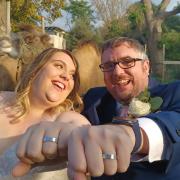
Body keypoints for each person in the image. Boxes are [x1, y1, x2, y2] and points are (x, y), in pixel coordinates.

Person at [13, 37, 180, 180]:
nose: (117, 71)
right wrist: (65, 124)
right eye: (108, 65)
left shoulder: (173, 92)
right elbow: (70, 114)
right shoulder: (95, 98)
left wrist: (134, 134)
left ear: (146, 66)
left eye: (127, 62)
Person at [0, 47, 90, 179]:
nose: (66, 76)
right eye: (59, 66)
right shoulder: (2, 97)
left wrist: (88, 140)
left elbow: (84, 134)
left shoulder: (67, 118)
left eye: (72, 75)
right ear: (35, 70)